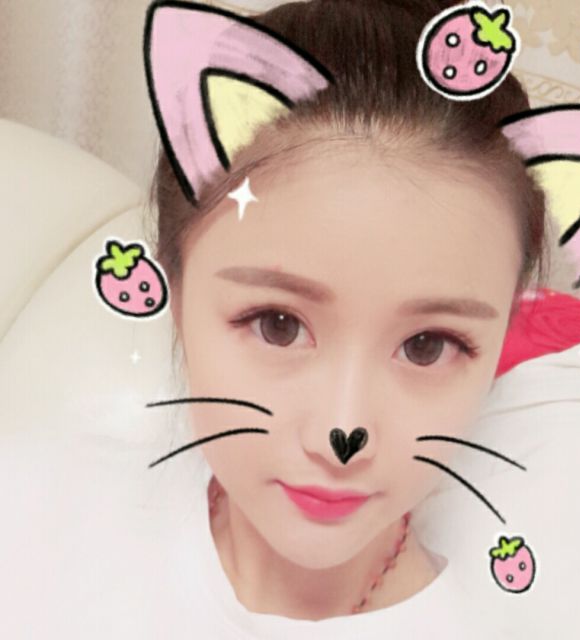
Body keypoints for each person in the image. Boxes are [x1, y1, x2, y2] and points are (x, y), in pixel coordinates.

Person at [149, 0, 548, 627]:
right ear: (176, 294)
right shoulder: (39, 515)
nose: (342, 433)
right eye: (278, 325)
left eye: (427, 345)